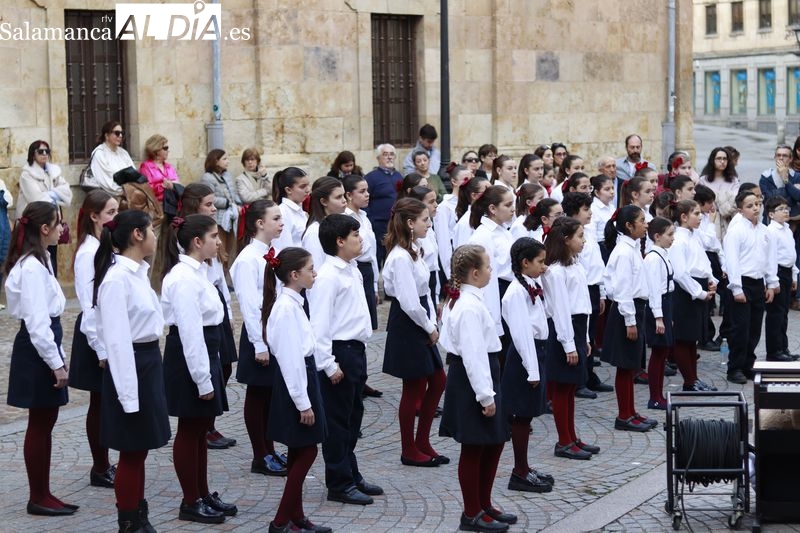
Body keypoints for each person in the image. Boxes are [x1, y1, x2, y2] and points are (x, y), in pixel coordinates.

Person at [93, 210, 170, 532]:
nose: (155, 236)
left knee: (140, 449)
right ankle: (128, 521)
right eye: (151, 230)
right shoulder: (116, 279)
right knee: (131, 450)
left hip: (148, 362)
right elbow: (117, 341)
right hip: (132, 367)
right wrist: (128, 395)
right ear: (137, 235)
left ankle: (139, 514)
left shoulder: (138, 273)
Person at [161, 215, 237, 524]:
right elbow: (190, 333)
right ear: (197, 241)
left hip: (207, 352)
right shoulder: (183, 278)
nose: (219, 241)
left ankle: (202, 493)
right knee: (190, 429)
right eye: (213, 236)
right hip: (191, 358)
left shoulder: (200, 272)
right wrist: (202, 380)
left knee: (200, 429)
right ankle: (190, 500)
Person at [439, 244, 514, 533]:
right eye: (487, 266)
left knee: (493, 442)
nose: (491, 270)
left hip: (483, 374)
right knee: (474, 446)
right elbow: (473, 354)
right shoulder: (467, 306)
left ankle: (484, 503)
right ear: (474, 272)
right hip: (473, 380)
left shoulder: (469, 299)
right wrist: (485, 395)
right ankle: (472, 513)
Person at [309, 215, 383, 505]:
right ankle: (338, 482)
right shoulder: (328, 276)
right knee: (338, 421)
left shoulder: (352, 269)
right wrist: (328, 364)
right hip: (340, 352)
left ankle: (351, 473)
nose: (360, 239)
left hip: (355, 351)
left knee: (354, 416)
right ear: (340, 241)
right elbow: (319, 324)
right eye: (355, 235)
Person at [5, 201, 73, 516]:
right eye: (58, 223)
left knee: (46, 422)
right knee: (39, 423)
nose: (62, 229)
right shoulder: (31, 267)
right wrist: (55, 362)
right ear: (44, 228)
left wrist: (59, 354)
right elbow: (37, 323)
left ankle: (44, 492)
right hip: (36, 349)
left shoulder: (42, 259)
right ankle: (38, 496)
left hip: (45, 343)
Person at [263, 247, 332, 533]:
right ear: (294, 274)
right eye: (310, 269)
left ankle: (296, 516)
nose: (315, 273)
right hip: (297, 382)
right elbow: (290, 359)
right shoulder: (286, 308)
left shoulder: (293, 303)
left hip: (303, 377)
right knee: (307, 451)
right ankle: (281, 520)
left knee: (299, 449)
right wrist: (303, 402)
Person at [382, 198, 447, 468]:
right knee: (414, 387)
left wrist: (432, 320)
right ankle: (409, 449)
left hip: (420, 318)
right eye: (425, 219)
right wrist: (429, 327)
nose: (429, 224)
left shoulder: (414, 249)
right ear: (410, 223)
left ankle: (423, 441)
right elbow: (408, 302)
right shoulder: (400, 257)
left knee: (438, 380)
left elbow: (425, 290)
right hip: (408, 323)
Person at [178, 183, 238, 449]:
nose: (214, 209)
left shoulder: (211, 237)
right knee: (212, 365)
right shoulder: (189, 238)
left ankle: (210, 422)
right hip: (201, 304)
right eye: (208, 204)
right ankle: (205, 425)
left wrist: (229, 309)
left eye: (214, 204)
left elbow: (220, 276)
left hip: (216, 302)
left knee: (224, 365)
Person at [231, 200, 288, 477]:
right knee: (257, 394)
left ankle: (270, 449)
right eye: (275, 218)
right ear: (259, 223)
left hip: (273, 331)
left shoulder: (269, 253)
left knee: (269, 395)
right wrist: (259, 344)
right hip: (259, 333)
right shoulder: (247, 259)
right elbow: (249, 305)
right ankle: (260, 454)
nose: (281, 223)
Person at [69, 190, 119, 490]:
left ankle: (104, 463)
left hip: (108, 329)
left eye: (117, 211)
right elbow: (89, 303)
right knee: (98, 402)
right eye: (110, 212)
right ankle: (100, 466)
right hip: (95, 334)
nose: (115, 217)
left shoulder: (105, 245)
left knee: (105, 401)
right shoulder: (89, 252)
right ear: (94, 216)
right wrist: (100, 348)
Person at [541, 217, 598, 460]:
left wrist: (584, 338)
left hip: (577, 327)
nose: (584, 241)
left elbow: (582, 304)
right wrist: (568, 344)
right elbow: (561, 310)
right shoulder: (556, 271)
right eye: (580, 236)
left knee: (570, 386)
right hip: (564, 330)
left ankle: (572, 436)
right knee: (562, 388)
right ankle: (564, 440)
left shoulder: (575, 264)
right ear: (566, 240)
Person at [501, 238, 554, 494]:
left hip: (537, 352)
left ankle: (524, 467)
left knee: (528, 415)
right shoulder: (516, 292)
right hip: (525, 357)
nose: (544, 267)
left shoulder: (531, 284)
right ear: (525, 263)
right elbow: (521, 334)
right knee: (522, 416)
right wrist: (532, 369)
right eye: (540, 262)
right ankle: (519, 472)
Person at [601, 206, 657, 432]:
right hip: (627, 310)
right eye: (642, 220)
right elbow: (623, 289)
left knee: (631, 365)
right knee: (625, 367)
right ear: (629, 225)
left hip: (635, 308)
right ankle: (624, 415)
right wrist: (630, 321)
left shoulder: (632, 247)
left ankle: (631, 411)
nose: (646, 224)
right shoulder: (624, 252)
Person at [723, 190, 778, 383]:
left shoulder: (765, 231)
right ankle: (735, 367)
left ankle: (748, 364)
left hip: (758, 283)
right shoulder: (736, 231)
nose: (755, 208)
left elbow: (770, 259)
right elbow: (732, 261)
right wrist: (736, 288)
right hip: (742, 282)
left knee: (754, 327)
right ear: (740, 210)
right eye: (750, 206)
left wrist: (771, 283)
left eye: (757, 204)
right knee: (740, 328)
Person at [664, 200, 719, 392]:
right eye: (696, 213)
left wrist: (711, 279)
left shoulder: (694, 236)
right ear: (684, 217)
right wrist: (699, 293)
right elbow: (680, 274)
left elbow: (703, 261)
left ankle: (694, 379)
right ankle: (689, 380)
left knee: (692, 338)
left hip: (699, 287)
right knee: (683, 337)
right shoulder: (679, 240)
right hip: (686, 292)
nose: (700, 216)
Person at [563, 192, 613, 398]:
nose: (590, 213)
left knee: (590, 334)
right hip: (580, 288)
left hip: (593, 287)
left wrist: (601, 292)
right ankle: (579, 380)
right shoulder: (571, 235)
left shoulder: (588, 232)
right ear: (574, 212)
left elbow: (596, 265)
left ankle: (589, 374)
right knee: (581, 333)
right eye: (586, 209)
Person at [343, 175, 383, 398]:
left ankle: (362, 377)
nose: (367, 195)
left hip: (367, 270)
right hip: (356, 267)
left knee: (367, 324)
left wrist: (375, 284)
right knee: (357, 323)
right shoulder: (346, 218)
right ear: (349, 195)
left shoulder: (365, 217)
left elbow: (373, 253)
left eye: (367, 190)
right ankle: (357, 377)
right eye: (362, 191)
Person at [468, 186, 516, 364]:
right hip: (497, 293)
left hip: (509, 290)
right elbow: (487, 280)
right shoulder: (484, 235)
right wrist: (494, 321)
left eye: (513, 204)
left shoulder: (503, 230)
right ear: (493, 208)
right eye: (508, 205)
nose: (513, 209)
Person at [18, 140, 72, 276]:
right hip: (34, 224)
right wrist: (56, 194)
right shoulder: (27, 174)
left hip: (52, 221)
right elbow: (36, 199)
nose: (44, 154)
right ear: (33, 154)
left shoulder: (54, 171)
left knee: (51, 256)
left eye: (47, 151)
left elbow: (67, 192)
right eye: (40, 151)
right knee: (35, 257)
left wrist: (50, 194)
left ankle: (52, 284)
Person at [643, 217, 676, 411]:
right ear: (657, 236)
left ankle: (659, 394)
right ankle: (654, 397)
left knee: (663, 353)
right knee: (658, 353)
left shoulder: (663, 254)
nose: (672, 238)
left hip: (666, 304)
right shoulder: (653, 258)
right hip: (658, 305)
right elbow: (654, 289)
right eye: (669, 234)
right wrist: (659, 317)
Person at [765, 196, 799, 361]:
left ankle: (783, 347)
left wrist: (794, 275)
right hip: (777, 272)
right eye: (781, 209)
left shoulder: (786, 229)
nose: (786, 211)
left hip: (786, 271)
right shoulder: (771, 231)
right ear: (771, 214)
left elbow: (791, 255)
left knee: (784, 313)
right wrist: (773, 281)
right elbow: (770, 258)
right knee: (776, 314)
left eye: (787, 208)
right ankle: (774, 351)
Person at [201, 149, 241, 269]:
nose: (227, 161)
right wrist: (227, 203)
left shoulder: (227, 175)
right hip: (218, 219)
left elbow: (233, 193)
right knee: (220, 251)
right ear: (216, 161)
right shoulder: (207, 178)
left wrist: (237, 204)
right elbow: (209, 199)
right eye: (224, 159)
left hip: (231, 218)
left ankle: (226, 275)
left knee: (229, 250)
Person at [364, 145, 402, 266]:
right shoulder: (371, 177)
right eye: (385, 154)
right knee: (378, 256)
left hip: (396, 224)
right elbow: (364, 200)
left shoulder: (399, 176)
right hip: (378, 225)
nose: (389, 157)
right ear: (378, 158)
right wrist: (370, 220)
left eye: (392, 154)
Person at [301, 177, 347, 272]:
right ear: (324, 201)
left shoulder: (337, 224)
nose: (344, 200)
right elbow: (316, 269)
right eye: (338, 197)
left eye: (343, 195)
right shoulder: (315, 232)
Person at [698, 147, 740, 239]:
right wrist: (724, 197)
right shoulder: (703, 180)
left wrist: (717, 199)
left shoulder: (734, 181)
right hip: (708, 220)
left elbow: (734, 202)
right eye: (719, 158)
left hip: (729, 220)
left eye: (725, 159)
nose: (722, 161)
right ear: (712, 160)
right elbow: (702, 202)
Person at [271, 167, 311, 252]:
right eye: (302, 187)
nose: (308, 190)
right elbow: (284, 249)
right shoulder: (282, 213)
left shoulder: (301, 211)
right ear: (288, 190)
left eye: (308, 185)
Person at [89, 121, 134, 194]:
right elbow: (105, 181)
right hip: (108, 194)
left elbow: (133, 173)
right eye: (117, 133)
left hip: (129, 191)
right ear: (107, 136)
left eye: (122, 133)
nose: (120, 136)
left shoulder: (123, 153)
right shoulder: (100, 153)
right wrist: (124, 191)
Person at [759, 144, 800, 223]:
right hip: (770, 221)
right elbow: (770, 200)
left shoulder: (797, 176)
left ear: (790, 159)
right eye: (778, 155)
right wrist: (792, 193)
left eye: (785, 156)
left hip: (793, 221)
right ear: (775, 158)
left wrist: (785, 180)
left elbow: (798, 197)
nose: (781, 158)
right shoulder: (766, 177)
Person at [139, 134, 179, 203]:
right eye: (165, 148)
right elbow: (146, 189)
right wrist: (162, 186)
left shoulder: (169, 167)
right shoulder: (146, 167)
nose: (168, 151)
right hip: (157, 203)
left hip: (173, 201)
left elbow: (178, 184)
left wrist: (173, 185)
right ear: (156, 150)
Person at [590, 174, 616, 261]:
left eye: (612, 188)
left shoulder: (611, 207)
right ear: (597, 193)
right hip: (602, 247)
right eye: (607, 189)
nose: (612, 192)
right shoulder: (593, 209)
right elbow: (592, 235)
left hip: (613, 244)